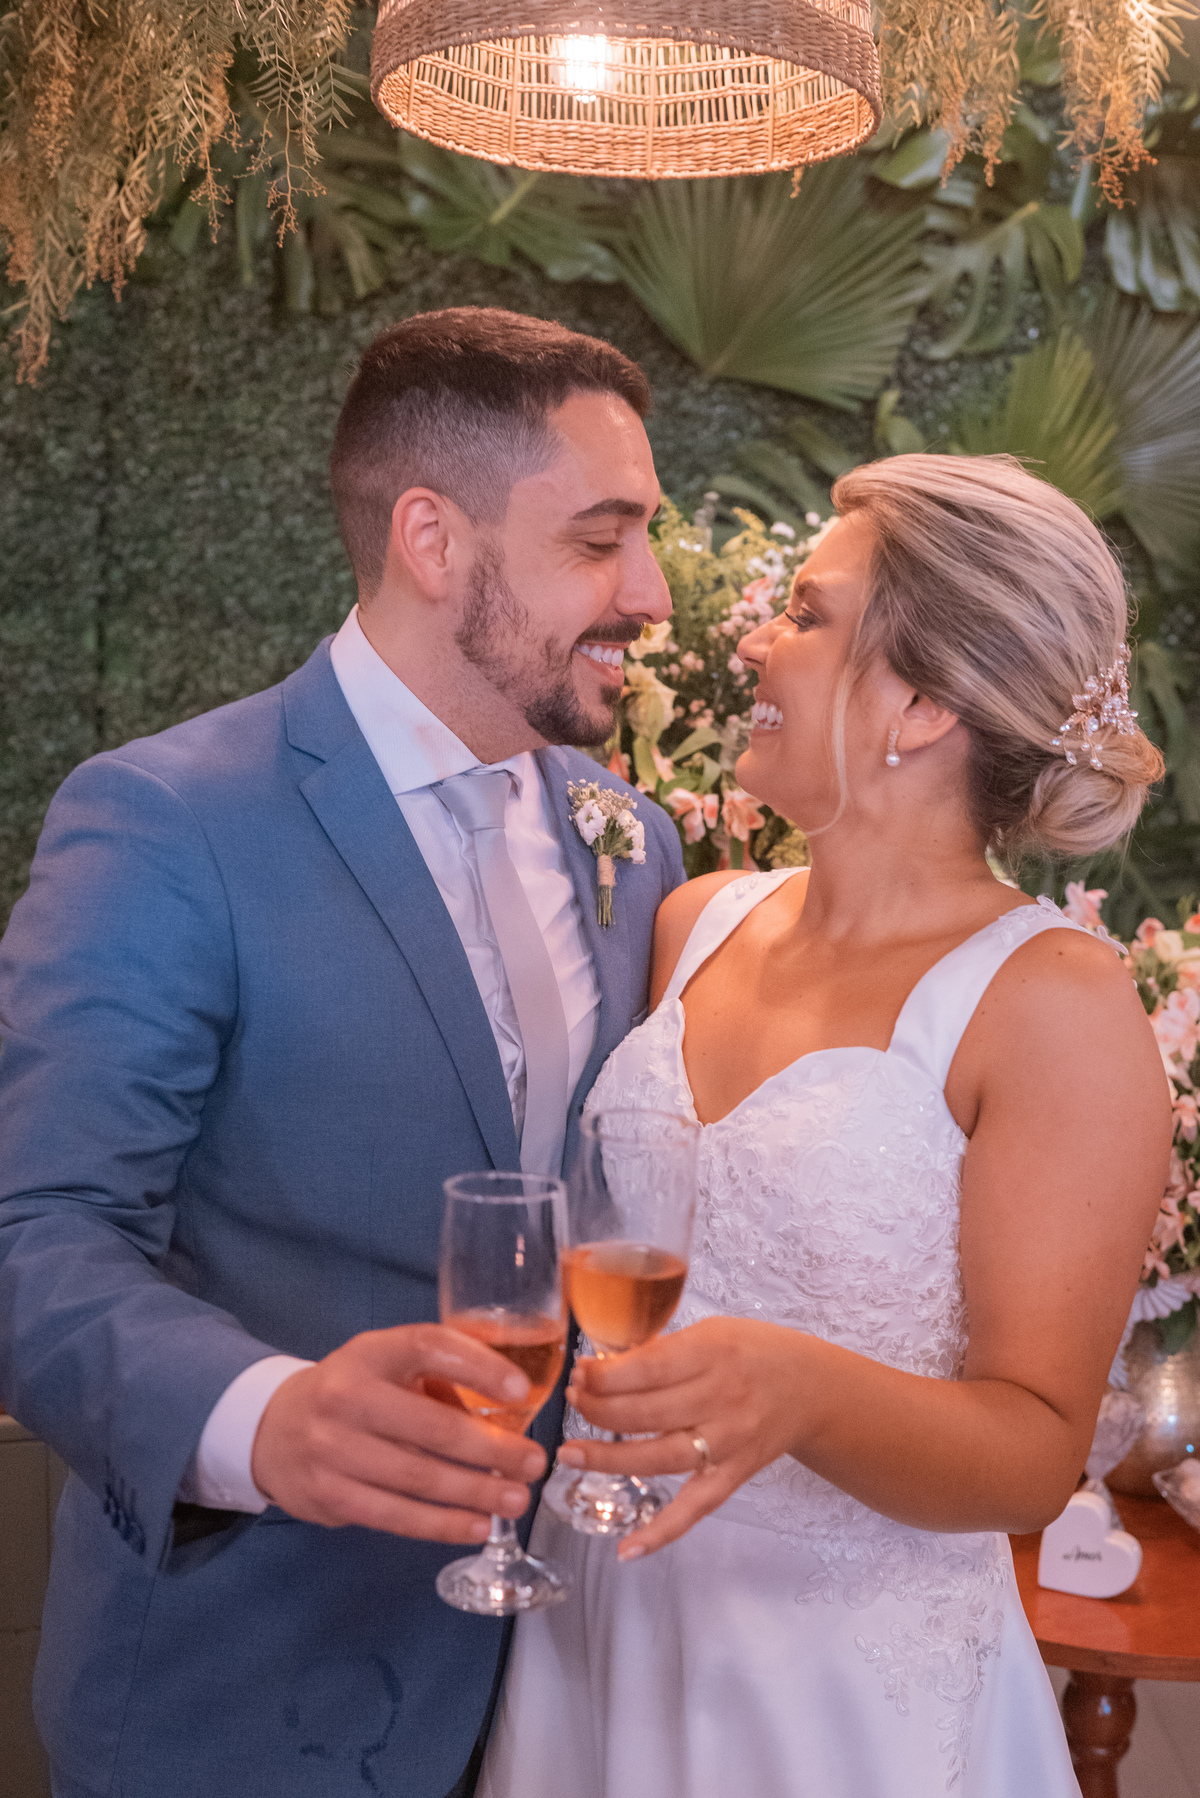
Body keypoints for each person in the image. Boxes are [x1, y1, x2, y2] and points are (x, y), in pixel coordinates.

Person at [0, 307, 685, 1798]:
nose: (651, 594)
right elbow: (34, 1233)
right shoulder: (166, 821)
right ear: (432, 539)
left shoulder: (635, 843)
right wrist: (267, 1419)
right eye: (600, 542)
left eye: (647, 537)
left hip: (562, 1691)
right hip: (247, 1693)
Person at [479, 453, 1173, 1798]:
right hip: (599, 1626)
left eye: (806, 613)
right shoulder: (694, 920)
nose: (754, 641)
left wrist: (800, 1389)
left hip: (842, 1703)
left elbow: (1035, 1453)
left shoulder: (1054, 1003)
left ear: (921, 701)